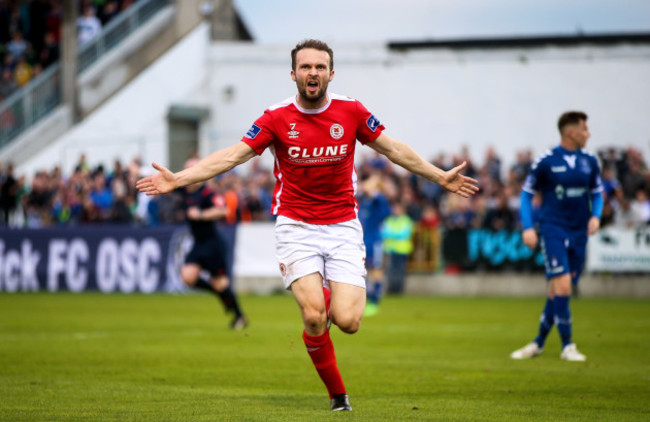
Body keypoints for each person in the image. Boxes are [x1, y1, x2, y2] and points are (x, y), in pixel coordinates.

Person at [136, 39, 479, 411]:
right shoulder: (275, 118)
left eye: (319, 67)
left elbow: (393, 149)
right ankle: (338, 396)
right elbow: (232, 156)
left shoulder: (351, 111)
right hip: (295, 226)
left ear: (331, 73)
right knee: (314, 315)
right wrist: (180, 179)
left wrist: (439, 176)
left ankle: (328, 297)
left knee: (347, 321)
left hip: (343, 225)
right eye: (305, 67)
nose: (312, 73)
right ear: (293, 74)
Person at [510, 111, 603, 362]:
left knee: (558, 291)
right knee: (562, 285)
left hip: (579, 231)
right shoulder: (547, 161)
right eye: (585, 128)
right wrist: (528, 227)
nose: (588, 133)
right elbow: (526, 195)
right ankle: (568, 345)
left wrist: (596, 216)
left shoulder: (590, 161)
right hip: (553, 229)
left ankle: (538, 343)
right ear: (571, 132)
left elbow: (597, 193)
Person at [178, 157, 248, 330]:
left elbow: (223, 210)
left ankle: (239, 316)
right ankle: (221, 295)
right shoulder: (186, 191)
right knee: (188, 277)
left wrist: (201, 214)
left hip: (213, 244)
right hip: (198, 243)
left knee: (221, 283)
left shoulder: (207, 193)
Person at [357, 173, 391, 316]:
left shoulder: (379, 200)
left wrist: (372, 188)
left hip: (374, 241)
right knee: (366, 271)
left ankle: (375, 301)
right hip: (363, 240)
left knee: (376, 270)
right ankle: (369, 299)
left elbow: (386, 212)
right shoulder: (366, 201)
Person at [381, 201, 415, 294]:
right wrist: (395, 235)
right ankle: (391, 288)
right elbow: (383, 233)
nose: (395, 210)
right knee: (390, 270)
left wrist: (391, 235)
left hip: (401, 250)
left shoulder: (406, 220)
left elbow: (405, 234)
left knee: (400, 270)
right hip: (390, 249)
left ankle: (399, 289)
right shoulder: (389, 220)